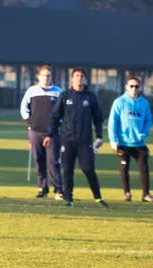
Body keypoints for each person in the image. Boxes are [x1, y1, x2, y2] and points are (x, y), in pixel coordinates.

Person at [43, 68, 108, 208]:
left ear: (85, 79)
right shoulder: (65, 96)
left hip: (84, 141)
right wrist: (49, 134)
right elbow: (55, 117)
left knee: (88, 169)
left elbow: (98, 118)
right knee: (67, 170)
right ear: (72, 79)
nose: (79, 78)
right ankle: (68, 199)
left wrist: (99, 136)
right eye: (77, 76)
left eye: (82, 76)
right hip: (67, 140)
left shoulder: (90, 97)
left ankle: (98, 197)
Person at [108, 77, 153, 203]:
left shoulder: (144, 103)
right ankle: (127, 193)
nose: (134, 89)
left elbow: (148, 120)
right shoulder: (119, 102)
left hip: (139, 142)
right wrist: (113, 141)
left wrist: (144, 133)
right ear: (126, 87)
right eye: (131, 86)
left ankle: (146, 194)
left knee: (144, 168)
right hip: (124, 142)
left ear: (139, 87)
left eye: (136, 86)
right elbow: (112, 122)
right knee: (124, 167)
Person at [20, 66, 63, 200]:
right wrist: (29, 121)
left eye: (48, 75)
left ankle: (58, 190)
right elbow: (24, 108)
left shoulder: (58, 92)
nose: (46, 78)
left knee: (53, 161)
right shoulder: (32, 91)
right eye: (44, 75)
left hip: (52, 133)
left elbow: (63, 111)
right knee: (39, 160)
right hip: (35, 131)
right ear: (39, 77)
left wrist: (58, 124)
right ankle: (42, 188)